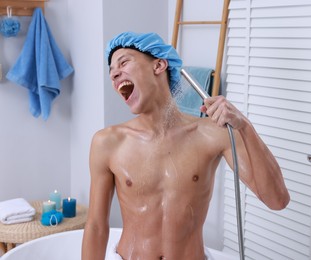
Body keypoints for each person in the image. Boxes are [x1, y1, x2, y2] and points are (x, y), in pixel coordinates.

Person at [81, 31, 290, 260]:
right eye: (111, 71)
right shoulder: (108, 143)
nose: (114, 74)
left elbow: (277, 199)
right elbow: (96, 226)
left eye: (124, 62)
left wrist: (244, 126)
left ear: (159, 65)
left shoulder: (212, 133)